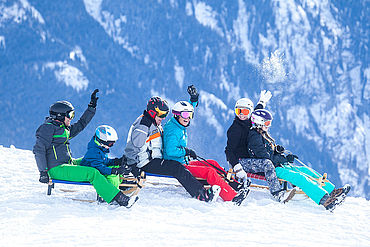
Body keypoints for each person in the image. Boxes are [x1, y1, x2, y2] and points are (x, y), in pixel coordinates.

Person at [33, 90, 136, 208]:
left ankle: (113, 186)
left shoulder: (63, 129)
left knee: (93, 160)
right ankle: (119, 199)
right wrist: (43, 172)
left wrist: (91, 108)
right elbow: (38, 150)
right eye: (70, 115)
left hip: (67, 163)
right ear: (60, 116)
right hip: (56, 168)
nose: (71, 118)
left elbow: (81, 124)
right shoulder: (47, 129)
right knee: (92, 173)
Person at [247, 109, 351, 211]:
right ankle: (325, 201)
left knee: (306, 171)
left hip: (277, 165)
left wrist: (278, 151)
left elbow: (268, 151)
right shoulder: (254, 137)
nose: (268, 125)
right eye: (267, 122)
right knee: (299, 177)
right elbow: (264, 157)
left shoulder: (261, 134)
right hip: (271, 169)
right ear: (259, 122)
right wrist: (282, 159)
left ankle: (332, 191)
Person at [163, 85, 249, 205]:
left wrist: (193, 100)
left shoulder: (179, 122)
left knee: (212, 163)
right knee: (209, 172)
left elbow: (187, 111)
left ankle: (234, 184)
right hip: (178, 164)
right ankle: (232, 197)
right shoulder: (173, 131)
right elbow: (171, 151)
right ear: (177, 115)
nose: (188, 118)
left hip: (183, 161)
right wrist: (186, 151)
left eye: (190, 115)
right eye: (185, 115)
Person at [124, 96, 220, 202]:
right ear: (152, 112)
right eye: (161, 114)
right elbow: (131, 148)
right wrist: (133, 167)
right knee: (176, 168)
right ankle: (201, 194)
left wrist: (192, 103)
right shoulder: (143, 126)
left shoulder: (153, 122)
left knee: (177, 165)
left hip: (154, 160)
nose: (163, 117)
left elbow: (182, 115)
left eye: (165, 114)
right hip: (145, 163)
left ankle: (202, 184)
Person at [225, 91, 296, 203]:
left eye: (245, 111)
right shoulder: (235, 129)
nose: (241, 114)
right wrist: (237, 167)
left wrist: (262, 102)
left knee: (273, 159)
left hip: (250, 158)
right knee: (267, 163)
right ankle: (277, 193)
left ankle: (296, 184)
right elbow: (228, 150)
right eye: (238, 111)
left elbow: (256, 113)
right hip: (239, 161)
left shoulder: (249, 121)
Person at [79, 125, 133, 190]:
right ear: (102, 141)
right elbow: (100, 168)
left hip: (97, 170)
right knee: (112, 175)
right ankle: (111, 192)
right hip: (89, 174)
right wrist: (115, 171)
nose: (111, 146)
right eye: (110, 144)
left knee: (115, 166)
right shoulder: (94, 152)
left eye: (113, 143)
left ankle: (120, 183)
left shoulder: (100, 148)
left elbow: (104, 161)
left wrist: (116, 161)